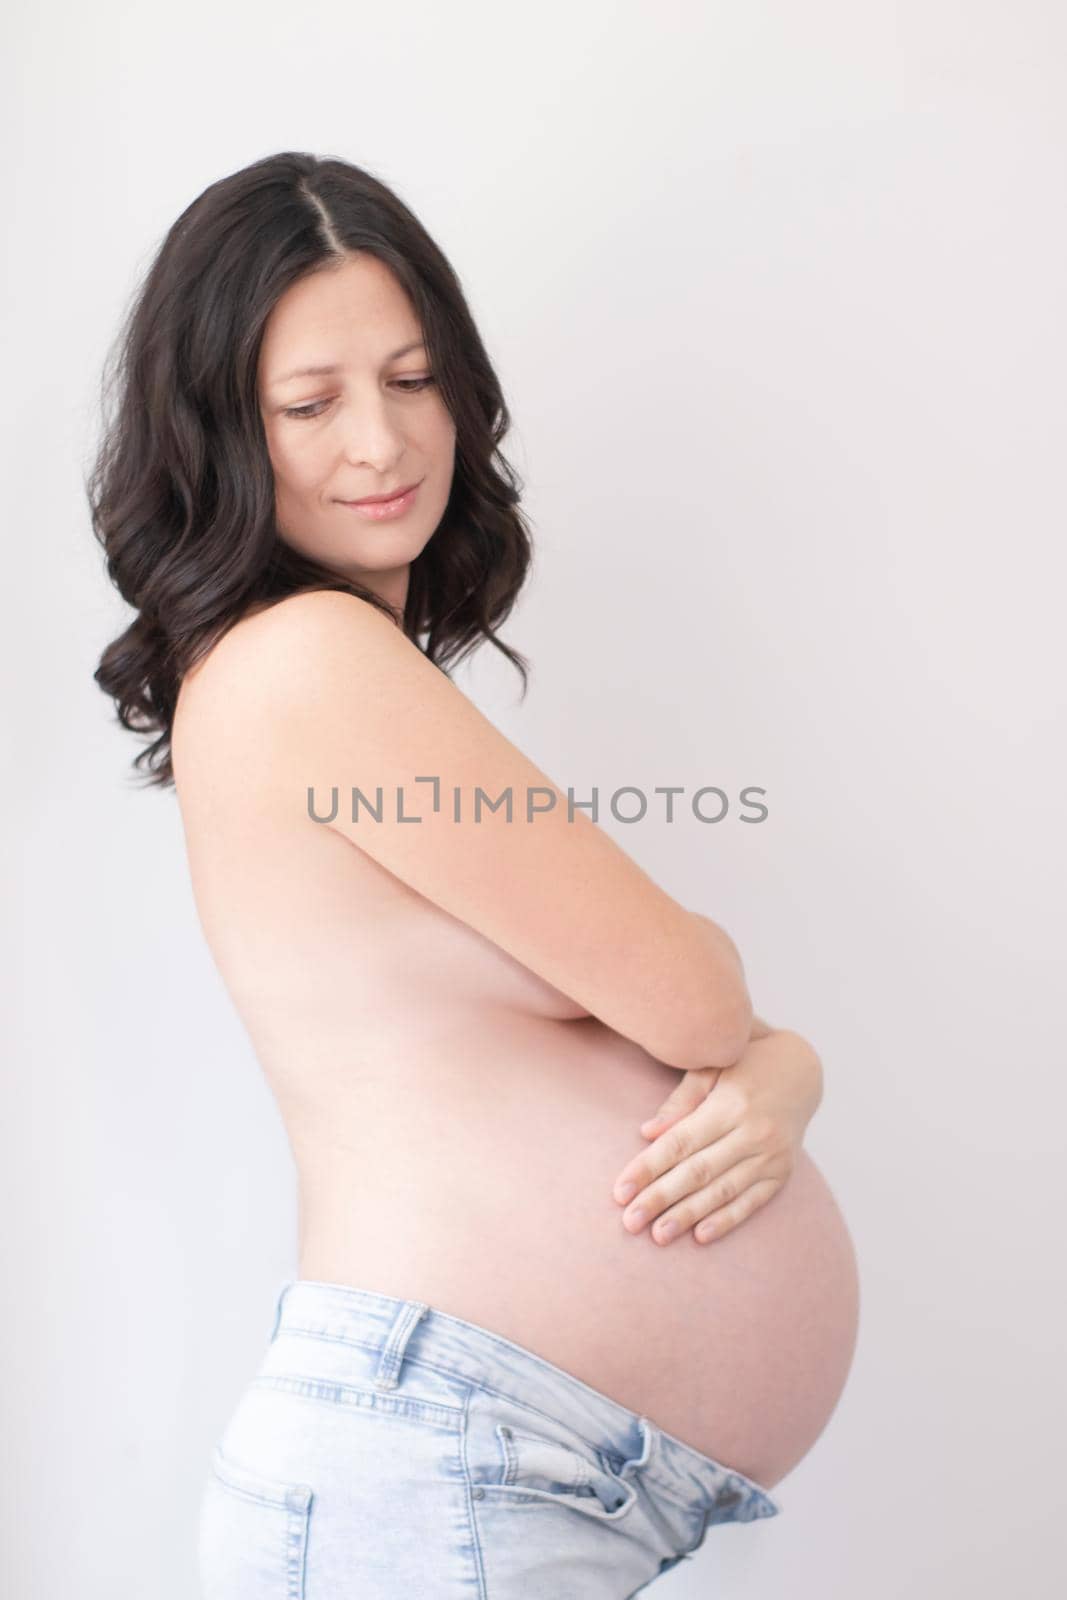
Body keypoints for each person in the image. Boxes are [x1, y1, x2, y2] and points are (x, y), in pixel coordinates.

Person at [89, 151, 860, 1597]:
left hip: (470, 1470)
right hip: (435, 1474)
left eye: (416, 378)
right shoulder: (314, 660)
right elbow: (691, 1000)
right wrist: (767, 1050)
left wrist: (787, 1072)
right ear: (218, 435)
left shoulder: (311, 668)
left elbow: (615, 1024)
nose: (380, 443)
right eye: (309, 404)